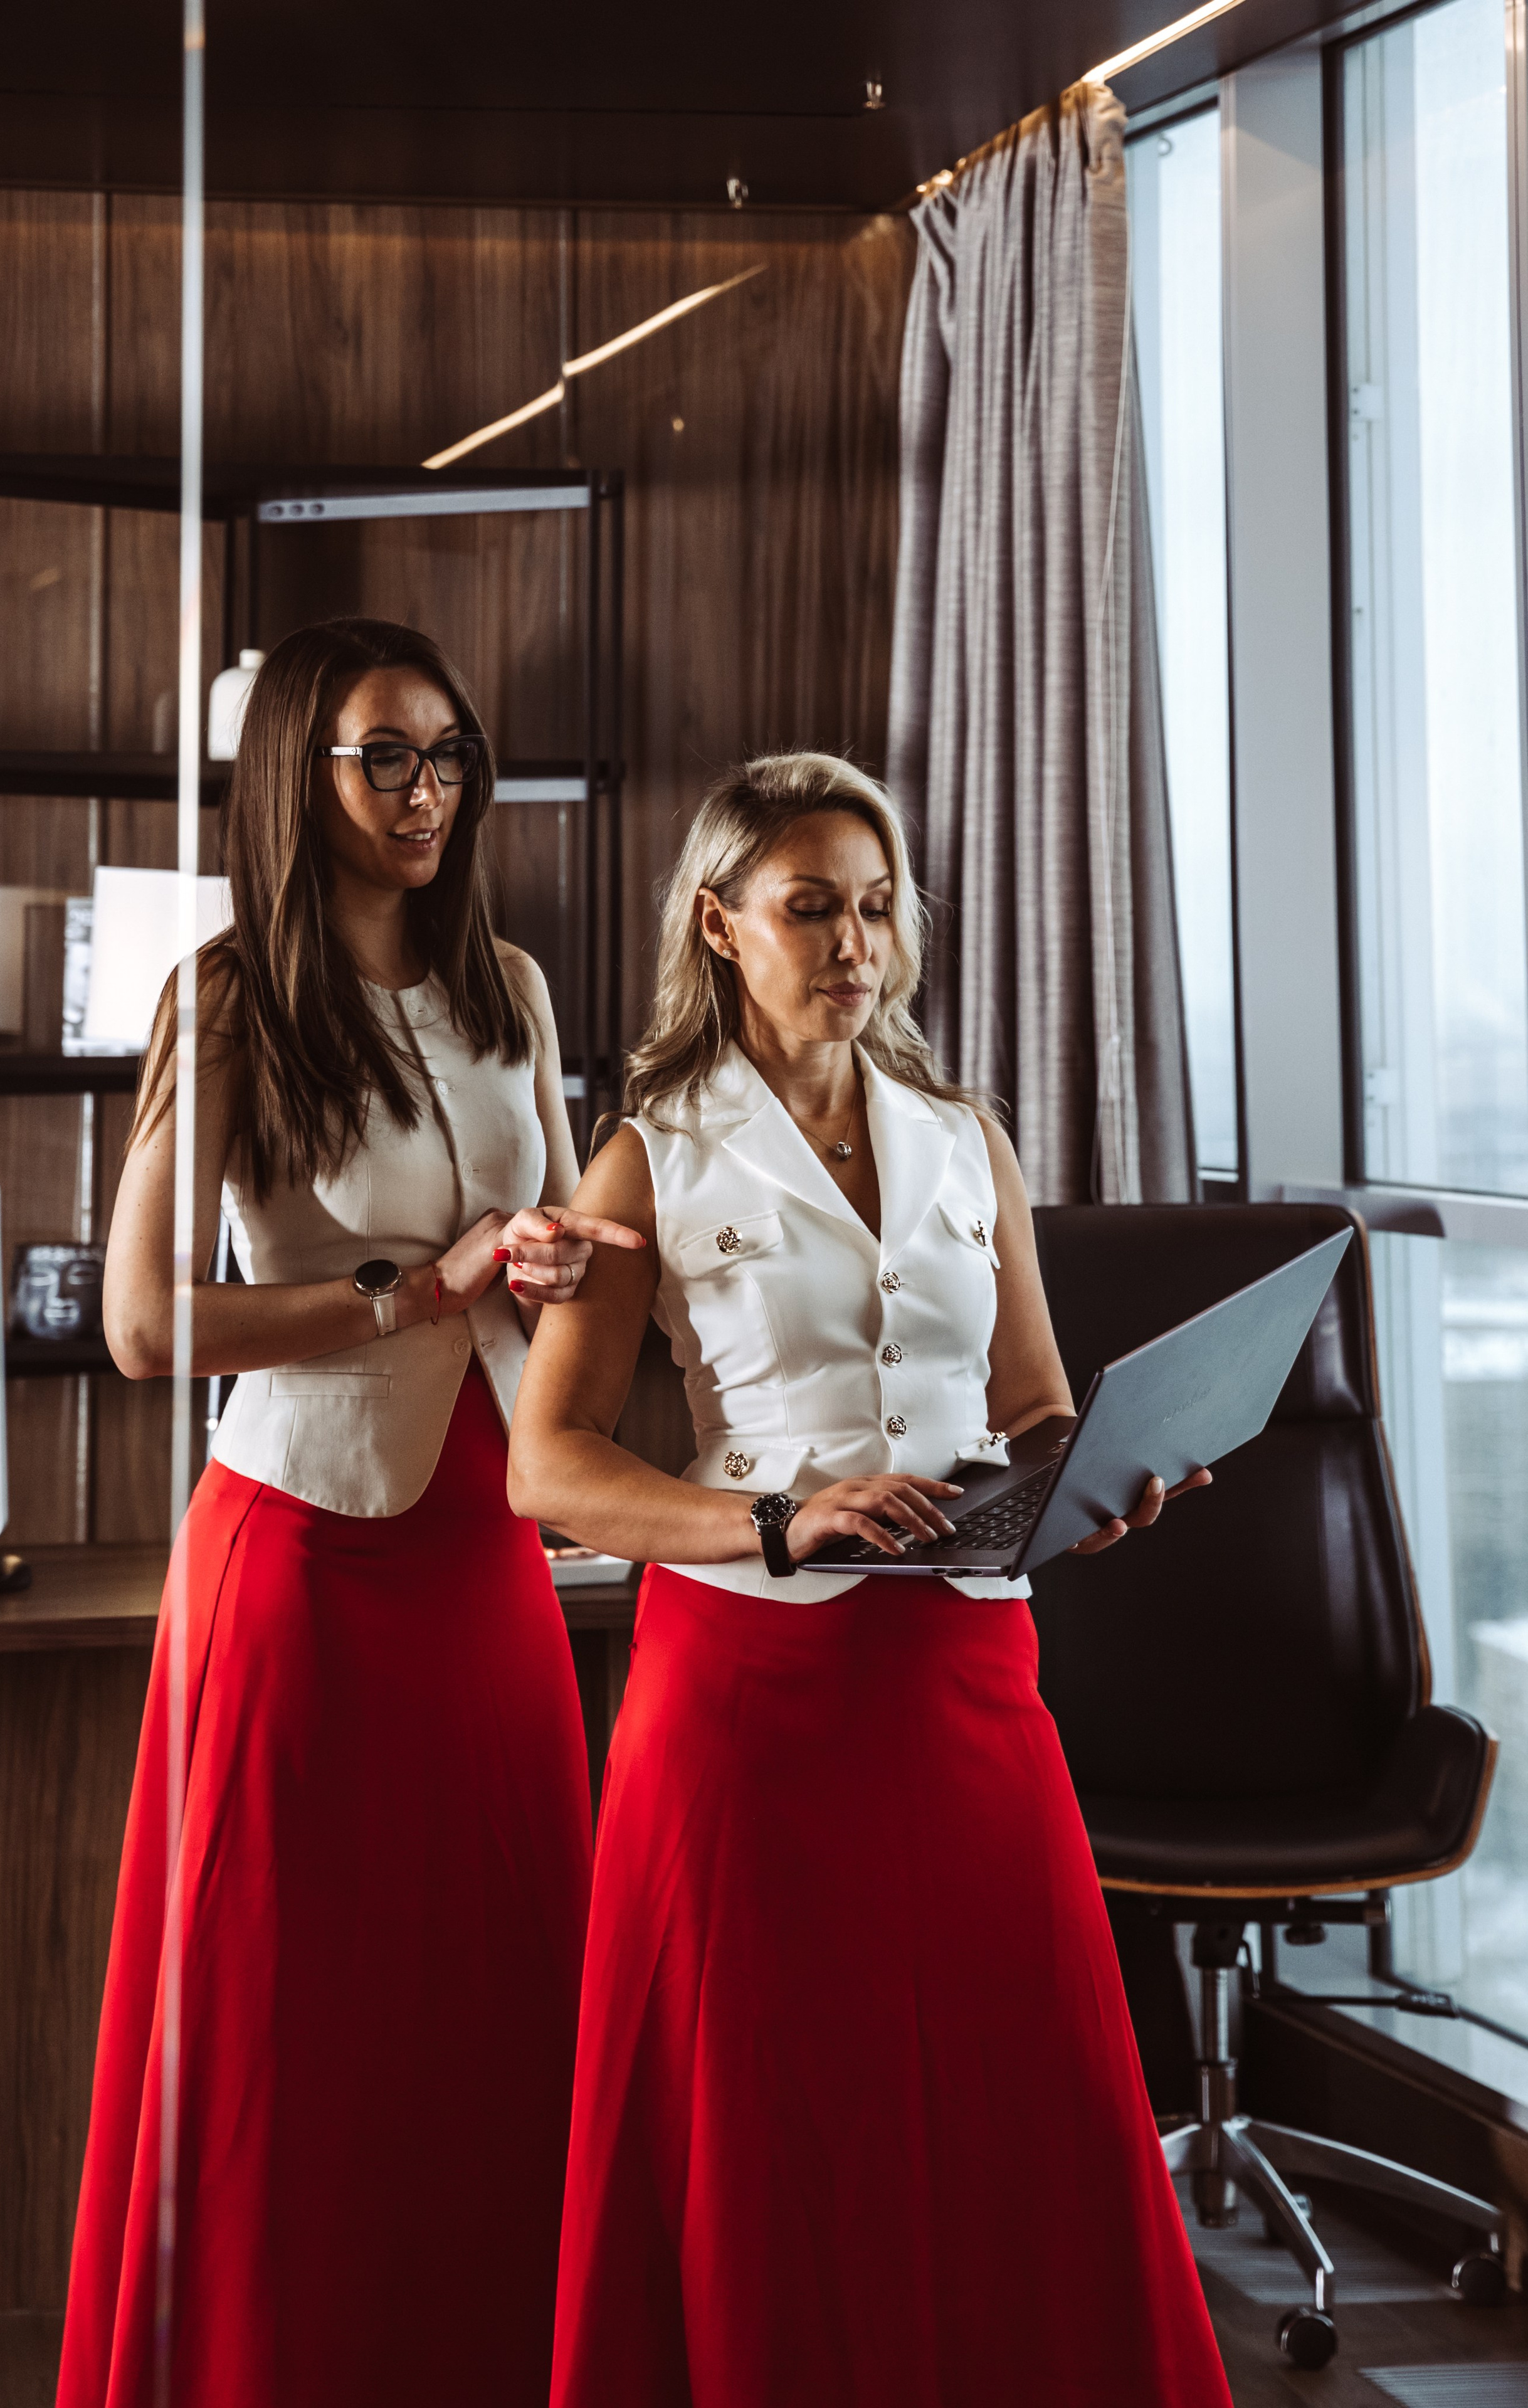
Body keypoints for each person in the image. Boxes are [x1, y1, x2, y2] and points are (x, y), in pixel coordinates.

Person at [508, 753, 1232, 2408]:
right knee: (774, 2130)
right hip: (750, 1698)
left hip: (970, 1685)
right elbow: (547, 1466)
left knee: (1019, 2106)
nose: (857, 939)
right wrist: (779, 1521)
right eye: (812, 905)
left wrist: (1099, 1479)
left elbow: (1033, 1404)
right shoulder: (651, 1157)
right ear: (721, 924)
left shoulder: (963, 1138)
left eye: (879, 904)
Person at [57, 618, 643, 2408]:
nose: (425, 791)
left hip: (484, 1548)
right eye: (383, 757)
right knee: (286, 2032)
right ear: (294, 777)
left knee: (495, 2004)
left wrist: (552, 1270)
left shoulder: (515, 989)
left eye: (449, 754)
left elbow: (531, 1296)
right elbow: (149, 1326)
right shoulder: (226, 995)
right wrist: (414, 1286)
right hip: (302, 1554)